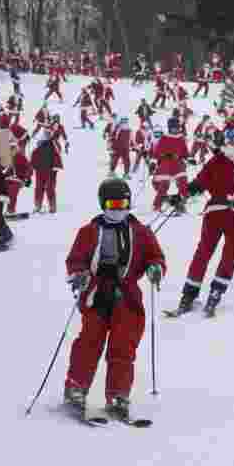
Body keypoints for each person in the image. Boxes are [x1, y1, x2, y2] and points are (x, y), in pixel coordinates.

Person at [63, 179, 166, 421]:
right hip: (98, 294)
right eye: (113, 204)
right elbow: (75, 259)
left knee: (123, 345)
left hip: (127, 297)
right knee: (89, 342)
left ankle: (118, 394)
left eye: (123, 204)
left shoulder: (141, 232)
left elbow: (155, 256)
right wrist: (79, 275)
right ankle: (76, 388)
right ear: (103, 204)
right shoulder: (89, 231)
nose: (118, 209)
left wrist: (155, 268)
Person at [169, 125, 234, 316]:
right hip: (216, 212)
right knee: (204, 252)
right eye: (231, 139)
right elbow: (200, 182)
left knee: (230, 255)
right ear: (226, 141)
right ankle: (189, 294)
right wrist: (183, 194)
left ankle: (216, 292)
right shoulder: (217, 161)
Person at [151, 117, 190, 213]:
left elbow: (185, 152)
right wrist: (155, 161)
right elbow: (157, 153)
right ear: (169, 128)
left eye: (177, 127)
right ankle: (157, 205)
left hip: (178, 164)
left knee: (183, 182)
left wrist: (188, 158)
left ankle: (180, 204)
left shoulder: (181, 138)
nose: (175, 130)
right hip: (166, 164)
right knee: (164, 185)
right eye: (173, 128)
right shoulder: (164, 138)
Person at [31, 135, 63, 213]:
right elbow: (57, 157)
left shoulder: (39, 149)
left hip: (44, 171)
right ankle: (49, 206)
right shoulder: (52, 148)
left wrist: (31, 168)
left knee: (42, 188)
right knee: (47, 189)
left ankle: (39, 206)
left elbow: (32, 160)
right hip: (46, 171)